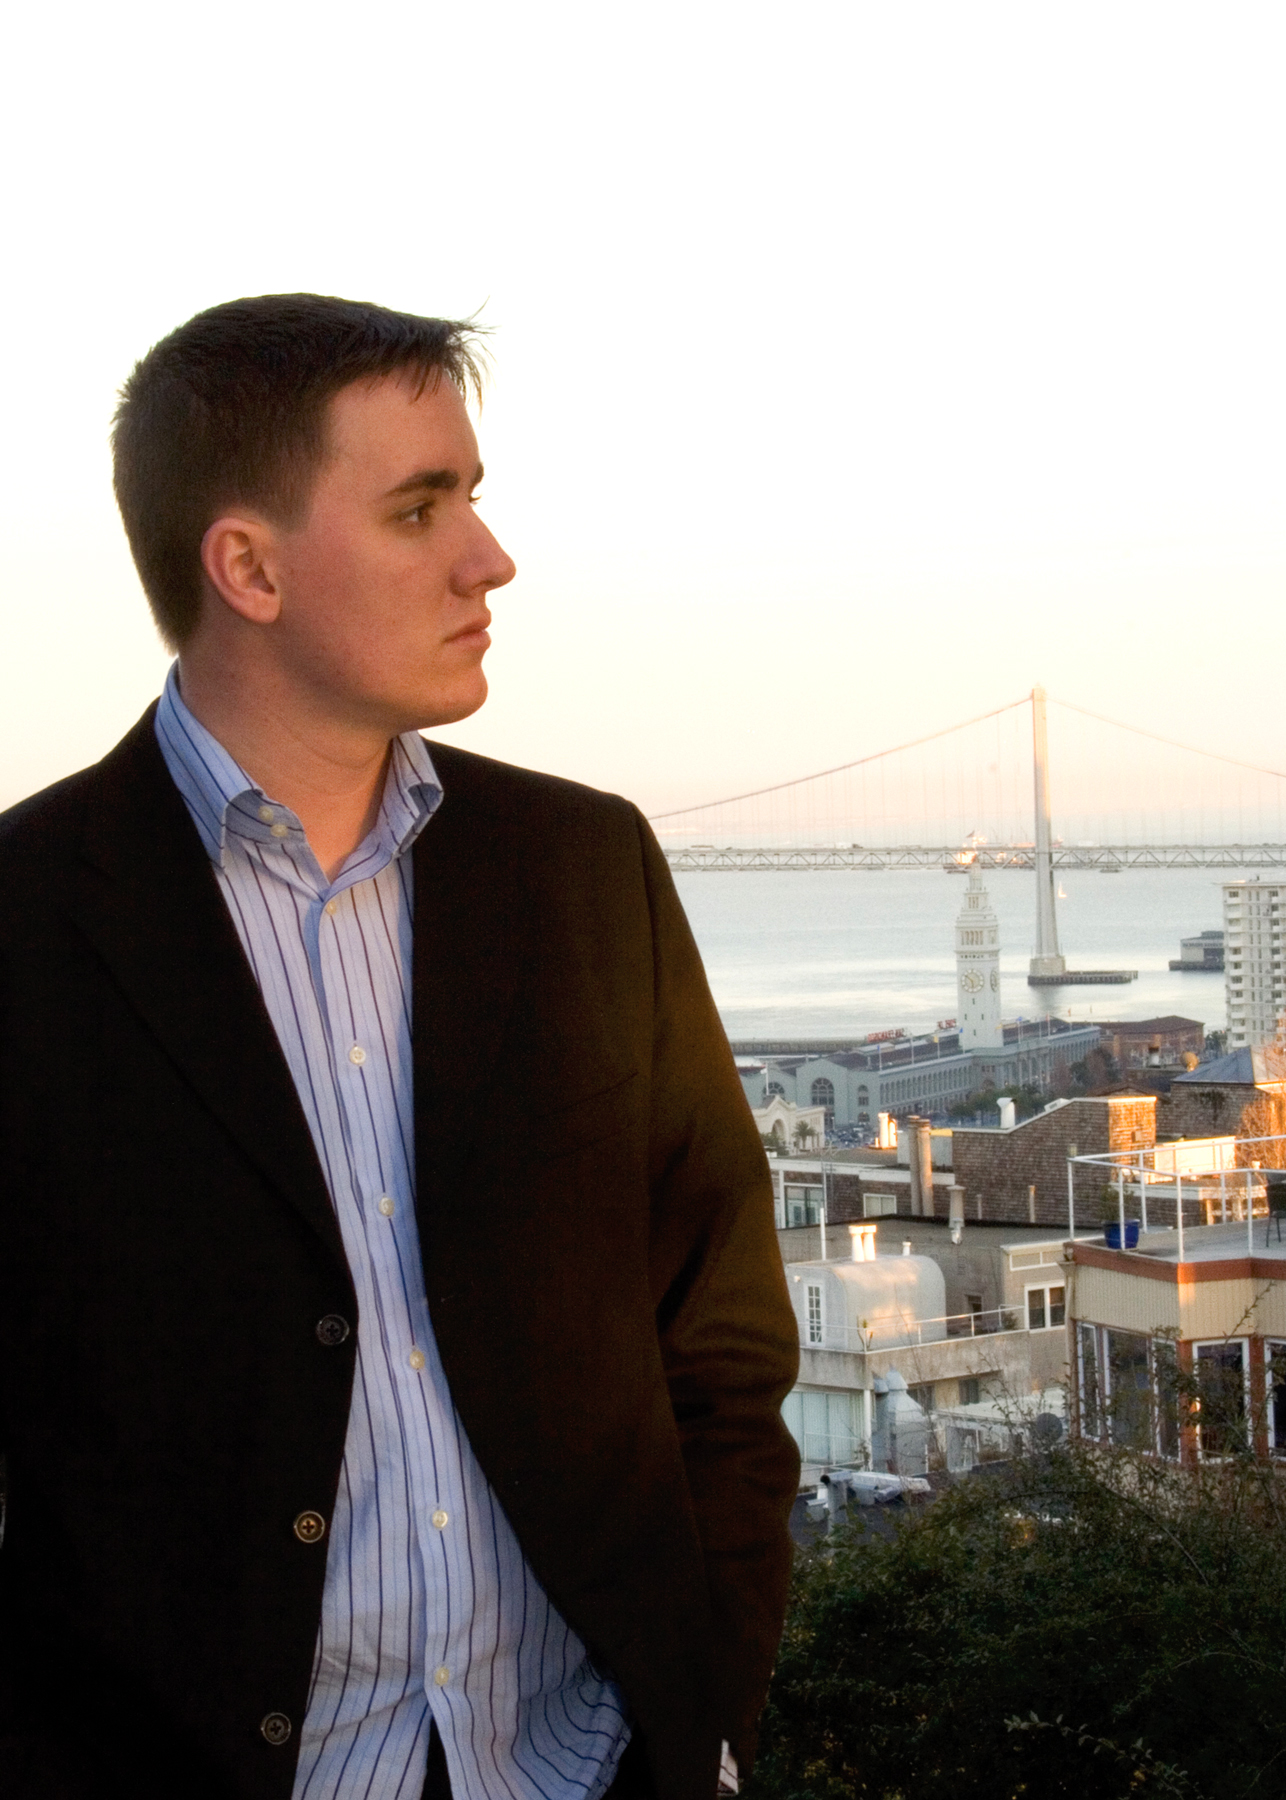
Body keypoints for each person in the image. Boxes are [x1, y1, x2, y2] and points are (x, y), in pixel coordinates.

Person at [0, 295, 799, 1800]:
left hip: (583, 1765)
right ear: (248, 567)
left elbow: (722, 1335)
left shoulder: (585, 867)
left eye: (472, 498)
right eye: (420, 508)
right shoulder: (29, 922)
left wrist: (703, 1710)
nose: (488, 558)